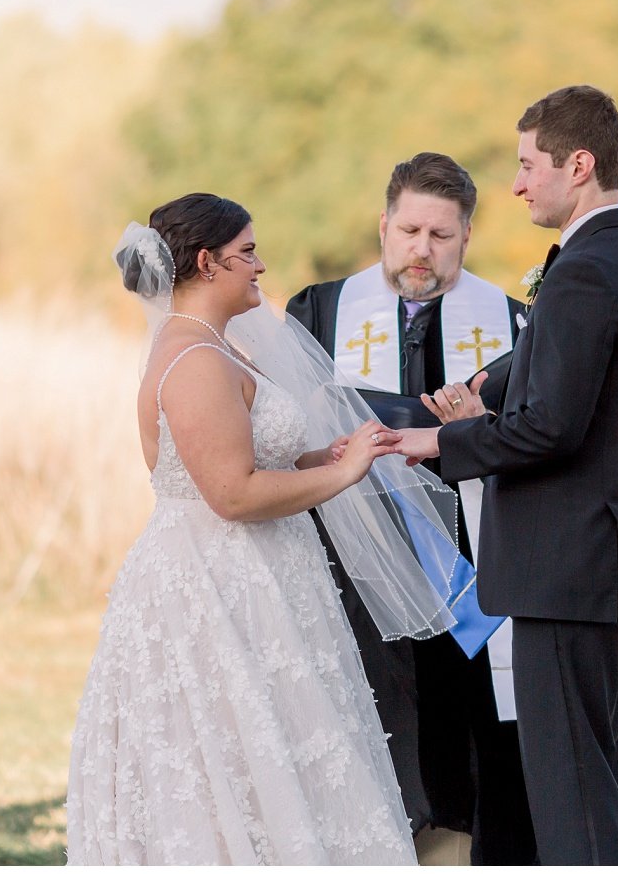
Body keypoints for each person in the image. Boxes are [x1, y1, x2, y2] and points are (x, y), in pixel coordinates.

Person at [66, 193, 462, 864]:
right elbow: (231, 493)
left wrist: (330, 456)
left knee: (287, 750)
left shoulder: (222, 349)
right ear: (206, 262)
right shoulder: (193, 362)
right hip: (216, 587)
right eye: (246, 252)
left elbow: (257, 459)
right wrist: (340, 479)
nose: (260, 265)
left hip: (265, 577)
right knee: (233, 763)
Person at [393, 86, 618, 865]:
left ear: (577, 165)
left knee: (571, 799)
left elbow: (553, 427)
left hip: (571, 564)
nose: (516, 185)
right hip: (596, 557)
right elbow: (561, 370)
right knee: (594, 783)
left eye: (527, 165)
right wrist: (493, 381)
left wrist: (442, 444)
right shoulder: (617, 257)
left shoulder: (586, 271)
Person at [287, 153, 536, 864]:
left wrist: (478, 429)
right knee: (369, 713)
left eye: (442, 236)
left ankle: (463, 847)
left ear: (466, 238)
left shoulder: (516, 325)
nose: (422, 250)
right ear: (384, 225)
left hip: (471, 565)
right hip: (355, 569)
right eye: (409, 230)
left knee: (471, 724)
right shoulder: (321, 311)